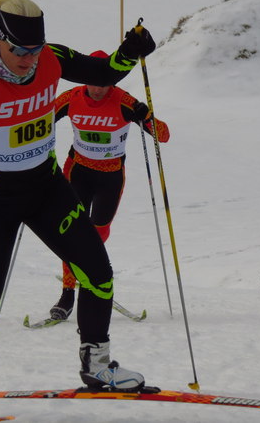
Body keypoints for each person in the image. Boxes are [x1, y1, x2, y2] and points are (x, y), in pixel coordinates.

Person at [0, 0, 156, 423]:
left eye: (36, 50)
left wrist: (129, 51)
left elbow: (102, 72)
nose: (29, 60)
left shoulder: (51, 58)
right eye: (20, 50)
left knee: (99, 274)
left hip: (46, 188)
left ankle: (97, 364)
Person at [48, 50, 170, 321]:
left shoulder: (124, 101)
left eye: (104, 84)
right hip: (77, 171)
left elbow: (164, 135)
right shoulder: (71, 98)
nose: (98, 89)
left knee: (98, 233)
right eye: (93, 82)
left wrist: (147, 116)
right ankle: (67, 293)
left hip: (110, 177)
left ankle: (90, 278)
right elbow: (40, 121)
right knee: (71, 231)